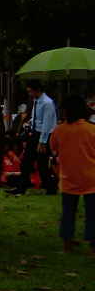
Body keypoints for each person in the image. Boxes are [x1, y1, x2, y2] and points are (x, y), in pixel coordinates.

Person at [49, 96, 95, 255]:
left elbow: (53, 148)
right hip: (92, 178)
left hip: (68, 178)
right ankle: (92, 246)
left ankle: (67, 245)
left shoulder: (59, 130)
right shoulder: (92, 129)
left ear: (66, 111)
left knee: (68, 212)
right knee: (92, 214)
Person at [10, 81, 58, 195]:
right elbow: (37, 118)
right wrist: (30, 124)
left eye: (30, 91)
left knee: (42, 163)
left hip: (43, 135)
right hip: (35, 133)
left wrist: (42, 141)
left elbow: (47, 123)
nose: (29, 93)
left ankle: (50, 186)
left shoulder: (47, 103)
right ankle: (23, 185)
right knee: (27, 161)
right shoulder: (36, 101)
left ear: (37, 90)